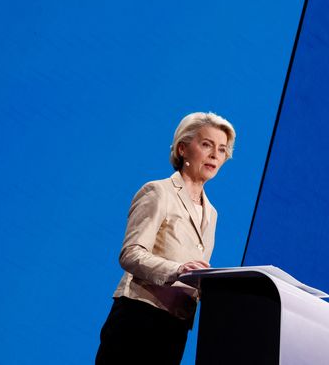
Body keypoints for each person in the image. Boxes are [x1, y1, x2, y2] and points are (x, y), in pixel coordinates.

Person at [96, 112, 236, 364]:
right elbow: (130, 254)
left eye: (222, 149)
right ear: (182, 148)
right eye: (207, 145)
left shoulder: (212, 213)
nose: (215, 155)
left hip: (175, 327)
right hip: (138, 318)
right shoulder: (158, 192)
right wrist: (178, 270)